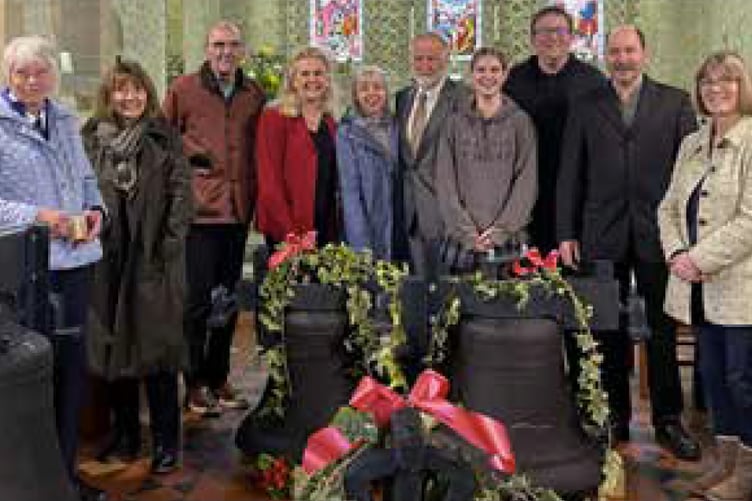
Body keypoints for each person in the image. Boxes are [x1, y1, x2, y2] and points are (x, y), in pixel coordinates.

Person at [556, 26, 700, 460]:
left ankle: (668, 420)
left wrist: (689, 237)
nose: (622, 59)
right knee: (606, 331)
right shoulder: (585, 105)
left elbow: (692, 176)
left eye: (629, 51)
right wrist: (566, 232)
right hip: (601, 233)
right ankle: (614, 416)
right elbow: (570, 174)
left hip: (661, 234)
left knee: (661, 330)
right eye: (614, 52)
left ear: (644, 53)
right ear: (606, 57)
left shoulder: (675, 102)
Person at [0, 35, 106, 500]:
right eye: (21, 73)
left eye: (39, 72)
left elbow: (85, 178)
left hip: (77, 263)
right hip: (26, 269)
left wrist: (96, 210)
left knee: (70, 373)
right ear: (7, 76)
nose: (30, 81)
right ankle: (32, 481)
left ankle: (65, 474)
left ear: (52, 77)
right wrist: (42, 218)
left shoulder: (63, 118)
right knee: (32, 376)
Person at [83, 58, 192, 474]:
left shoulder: (164, 138)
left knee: (158, 353)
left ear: (147, 92)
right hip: (108, 260)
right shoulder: (92, 139)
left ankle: (167, 442)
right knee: (116, 352)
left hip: (152, 261)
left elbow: (182, 197)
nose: (129, 97)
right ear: (108, 97)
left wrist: (167, 247)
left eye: (137, 89)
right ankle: (126, 436)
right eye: (120, 90)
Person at [658, 51, 752, 499]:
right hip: (696, 290)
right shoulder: (691, 143)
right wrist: (677, 251)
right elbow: (669, 206)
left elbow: (750, 221)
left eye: (727, 80)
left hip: (740, 286)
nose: (717, 89)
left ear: (742, 87)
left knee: (742, 379)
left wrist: (698, 259)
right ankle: (724, 464)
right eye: (708, 81)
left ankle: (748, 474)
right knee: (713, 377)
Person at [163, 20, 266, 418]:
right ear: (207, 49)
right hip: (199, 214)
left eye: (233, 45)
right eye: (218, 44)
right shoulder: (183, 90)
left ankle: (219, 377)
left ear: (243, 51)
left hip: (238, 211)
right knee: (196, 303)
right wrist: (189, 172)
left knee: (227, 301)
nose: (225, 52)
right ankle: (193, 384)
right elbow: (163, 141)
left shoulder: (253, 93)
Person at [504, 5, 605, 253]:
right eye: (544, 32)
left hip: (579, 191)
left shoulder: (593, 81)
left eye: (560, 31)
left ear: (571, 37)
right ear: (532, 39)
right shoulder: (513, 80)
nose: (552, 38)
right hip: (526, 188)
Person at [436, 47, 536, 273]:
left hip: (508, 239)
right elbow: (445, 182)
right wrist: (468, 233)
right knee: (459, 307)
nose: (487, 76)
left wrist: (501, 230)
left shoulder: (520, 122)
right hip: (462, 239)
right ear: (471, 74)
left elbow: (526, 183)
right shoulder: (454, 122)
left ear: (505, 74)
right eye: (481, 70)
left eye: (494, 70)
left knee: (508, 307)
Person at [394, 32, 464, 279]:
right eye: (418, 58)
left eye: (432, 59)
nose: (425, 65)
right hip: (409, 209)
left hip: (446, 212)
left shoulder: (463, 98)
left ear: (447, 59)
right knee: (415, 289)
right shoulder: (403, 98)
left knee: (447, 291)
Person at [255, 46, 338, 248]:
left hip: (326, 225)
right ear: (293, 80)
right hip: (288, 227)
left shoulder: (331, 122)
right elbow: (269, 182)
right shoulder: (274, 117)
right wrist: (290, 233)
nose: (312, 80)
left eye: (318, 73)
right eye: (305, 74)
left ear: (327, 80)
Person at [337, 65, 396, 260]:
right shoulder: (347, 133)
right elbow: (349, 192)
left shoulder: (397, 126)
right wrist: (360, 244)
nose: (372, 93)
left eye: (377, 87)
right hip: (367, 223)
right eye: (364, 88)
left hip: (398, 225)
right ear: (355, 95)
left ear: (386, 93)